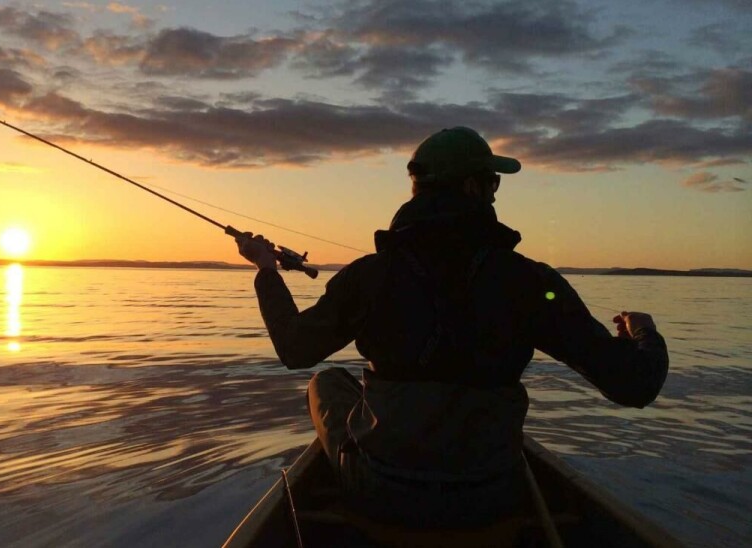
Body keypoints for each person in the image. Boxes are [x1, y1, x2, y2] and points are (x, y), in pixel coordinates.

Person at [235, 126, 669, 528]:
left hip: (382, 492)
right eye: (493, 184)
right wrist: (642, 330)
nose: (495, 197)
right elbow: (635, 384)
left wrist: (267, 269)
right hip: (494, 495)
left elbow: (294, 349)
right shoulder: (531, 282)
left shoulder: (369, 275)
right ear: (471, 187)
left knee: (326, 381)